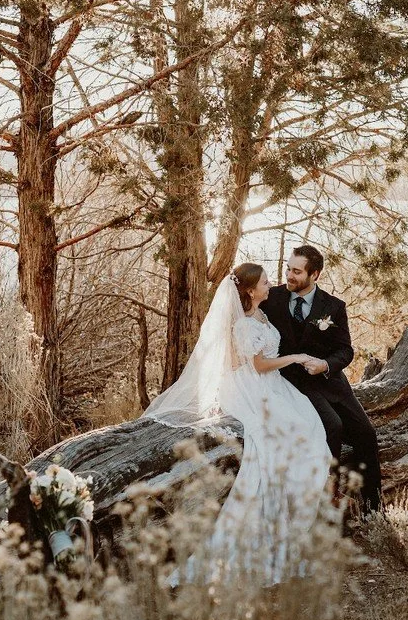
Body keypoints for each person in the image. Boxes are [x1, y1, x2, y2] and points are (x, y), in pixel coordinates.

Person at [144, 262, 336, 586]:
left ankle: (297, 525)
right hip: (253, 387)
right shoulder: (244, 325)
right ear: (249, 290)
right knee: (288, 442)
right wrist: (295, 357)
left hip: (271, 385)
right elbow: (259, 365)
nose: (270, 283)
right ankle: (277, 534)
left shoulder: (261, 314)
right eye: (263, 281)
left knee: (311, 429)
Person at [260, 245, 383, 514]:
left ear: (314, 274)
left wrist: (326, 365)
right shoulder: (272, 299)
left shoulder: (333, 307)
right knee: (333, 426)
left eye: (296, 271)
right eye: (288, 269)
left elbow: (346, 350)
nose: (289, 276)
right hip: (292, 383)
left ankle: (374, 510)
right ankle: (329, 498)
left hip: (331, 382)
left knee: (366, 434)